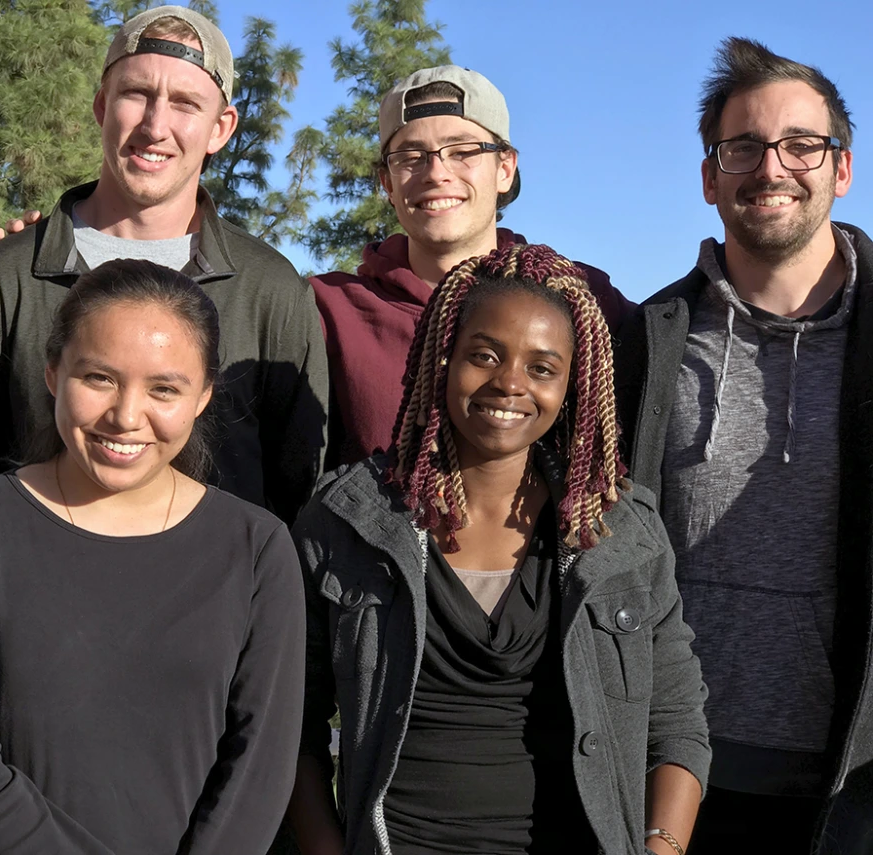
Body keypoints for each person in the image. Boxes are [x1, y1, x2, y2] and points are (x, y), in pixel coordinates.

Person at [290, 243, 709, 855]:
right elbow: (290, 724)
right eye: (484, 355)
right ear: (442, 357)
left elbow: (677, 726)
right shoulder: (350, 519)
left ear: (575, 385)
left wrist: (661, 847)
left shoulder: (624, 531)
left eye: (543, 368)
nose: (510, 382)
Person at [0, 258, 306, 855]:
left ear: (203, 398)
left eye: (164, 388)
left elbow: (261, 769)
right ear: (52, 370)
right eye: (99, 378)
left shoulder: (256, 548)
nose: (126, 416)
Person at [615, 37, 873, 852]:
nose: (772, 167)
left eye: (801, 144)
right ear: (708, 177)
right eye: (743, 147)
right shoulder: (646, 342)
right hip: (675, 778)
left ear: (842, 168)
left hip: (854, 782)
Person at [0, 5, 326, 524]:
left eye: (185, 103)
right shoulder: (5, 278)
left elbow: (300, 495)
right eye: (137, 94)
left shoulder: (272, 293)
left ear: (221, 128)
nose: (155, 125)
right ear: (103, 105)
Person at [310, 66, 636, 467]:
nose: (436, 173)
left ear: (505, 168)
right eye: (411, 157)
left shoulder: (581, 297)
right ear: (388, 183)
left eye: (463, 151)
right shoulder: (325, 309)